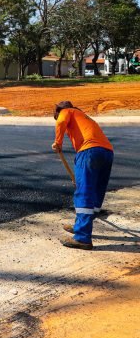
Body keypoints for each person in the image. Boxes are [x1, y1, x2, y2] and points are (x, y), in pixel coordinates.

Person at [52, 101, 114, 251]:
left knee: (84, 192)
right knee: (97, 190)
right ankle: (81, 226)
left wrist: (58, 142)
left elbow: (61, 121)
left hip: (89, 152)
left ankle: (82, 237)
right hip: (107, 152)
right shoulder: (85, 117)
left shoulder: (67, 111)